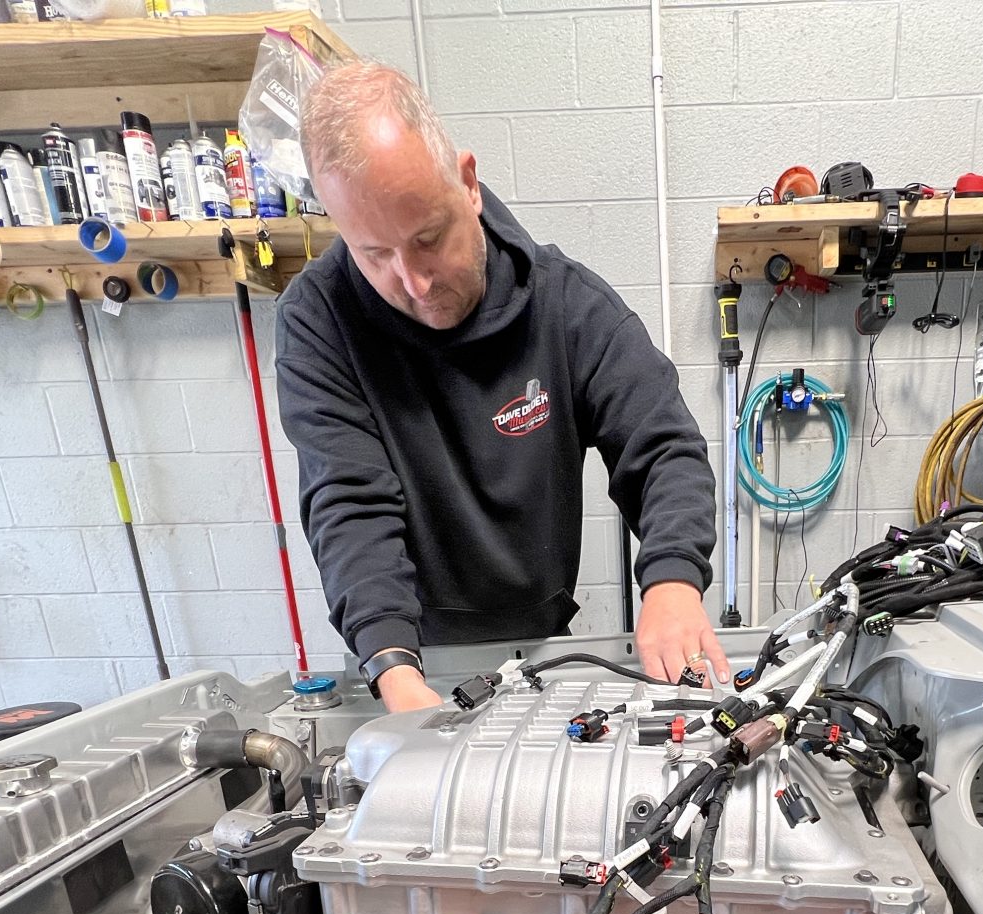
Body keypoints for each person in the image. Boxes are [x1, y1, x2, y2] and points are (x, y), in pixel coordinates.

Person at [276, 61, 728, 712]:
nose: (415, 282)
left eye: (428, 239)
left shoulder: (566, 304)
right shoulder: (318, 321)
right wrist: (397, 677)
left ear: (468, 183)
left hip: (538, 654)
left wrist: (673, 581)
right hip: (406, 664)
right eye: (376, 254)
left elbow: (663, 448)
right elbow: (350, 507)